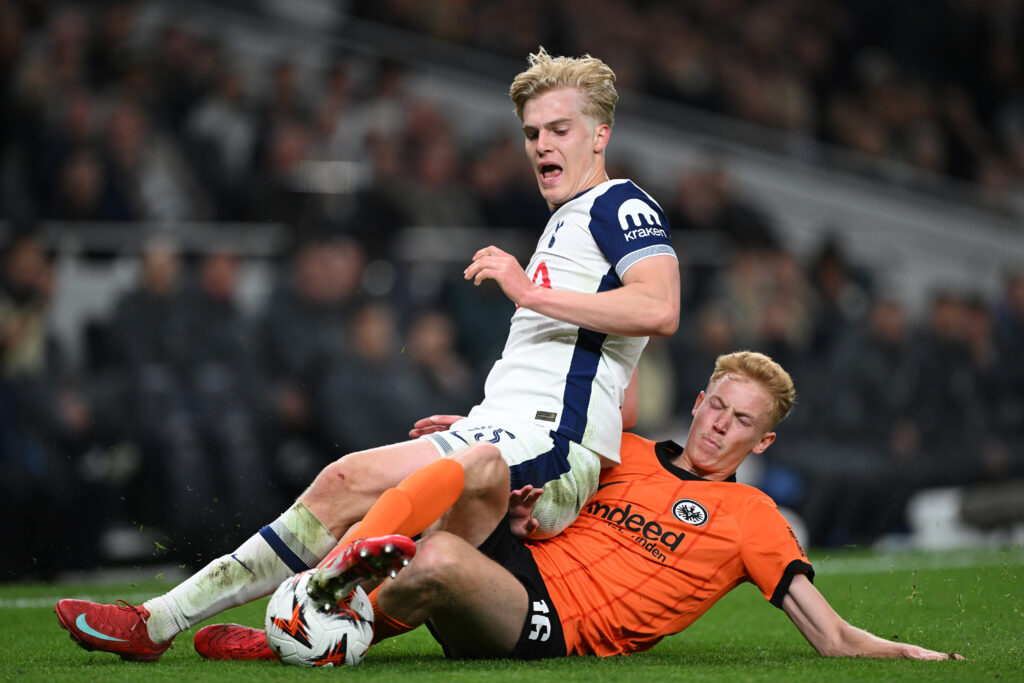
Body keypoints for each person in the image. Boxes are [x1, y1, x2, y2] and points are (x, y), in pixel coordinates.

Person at [54, 47, 679, 662]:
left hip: (551, 450)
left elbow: (660, 308)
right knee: (343, 478)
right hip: (508, 429)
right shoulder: (567, 221)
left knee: (427, 512)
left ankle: (305, 612)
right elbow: (593, 375)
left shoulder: (620, 205)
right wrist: (479, 420)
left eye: (560, 130)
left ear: (600, 135)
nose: (542, 145)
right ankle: (158, 622)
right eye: (532, 132)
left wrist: (526, 292)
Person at [193, 351, 962, 664]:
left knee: (439, 557)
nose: (718, 424)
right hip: (518, 559)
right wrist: (463, 442)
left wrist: (911, 656)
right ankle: (321, 608)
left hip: (551, 622)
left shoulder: (754, 517)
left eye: (740, 420)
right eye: (715, 406)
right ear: (696, 402)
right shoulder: (620, 448)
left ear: (761, 441)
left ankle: (304, 631)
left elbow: (829, 636)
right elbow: (535, 466)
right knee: (481, 466)